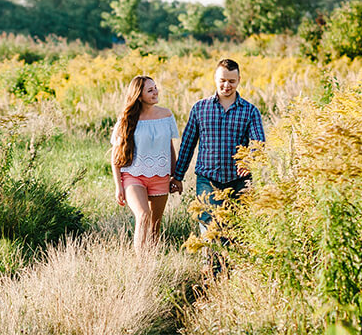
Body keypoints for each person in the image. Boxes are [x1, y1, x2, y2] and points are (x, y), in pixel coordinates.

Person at [170, 59, 265, 243]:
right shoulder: (200, 108)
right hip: (208, 179)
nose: (226, 85)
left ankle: (231, 271)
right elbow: (188, 144)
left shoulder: (250, 111)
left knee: (237, 230)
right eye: (222, 80)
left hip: (239, 180)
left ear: (238, 80)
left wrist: (250, 160)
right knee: (211, 227)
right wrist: (178, 176)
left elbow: (258, 142)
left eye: (231, 81)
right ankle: (214, 270)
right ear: (215, 79)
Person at [110, 75, 180, 255]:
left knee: (155, 226)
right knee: (143, 216)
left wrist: (176, 176)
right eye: (150, 90)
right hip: (133, 175)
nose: (155, 92)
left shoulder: (166, 115)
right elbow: (115, 156)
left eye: (155, 88)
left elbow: (170, 149)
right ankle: (140, 265)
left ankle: (151, 263)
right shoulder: (126, 119)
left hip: (160, 177)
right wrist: (119, 187)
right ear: (138, 95)